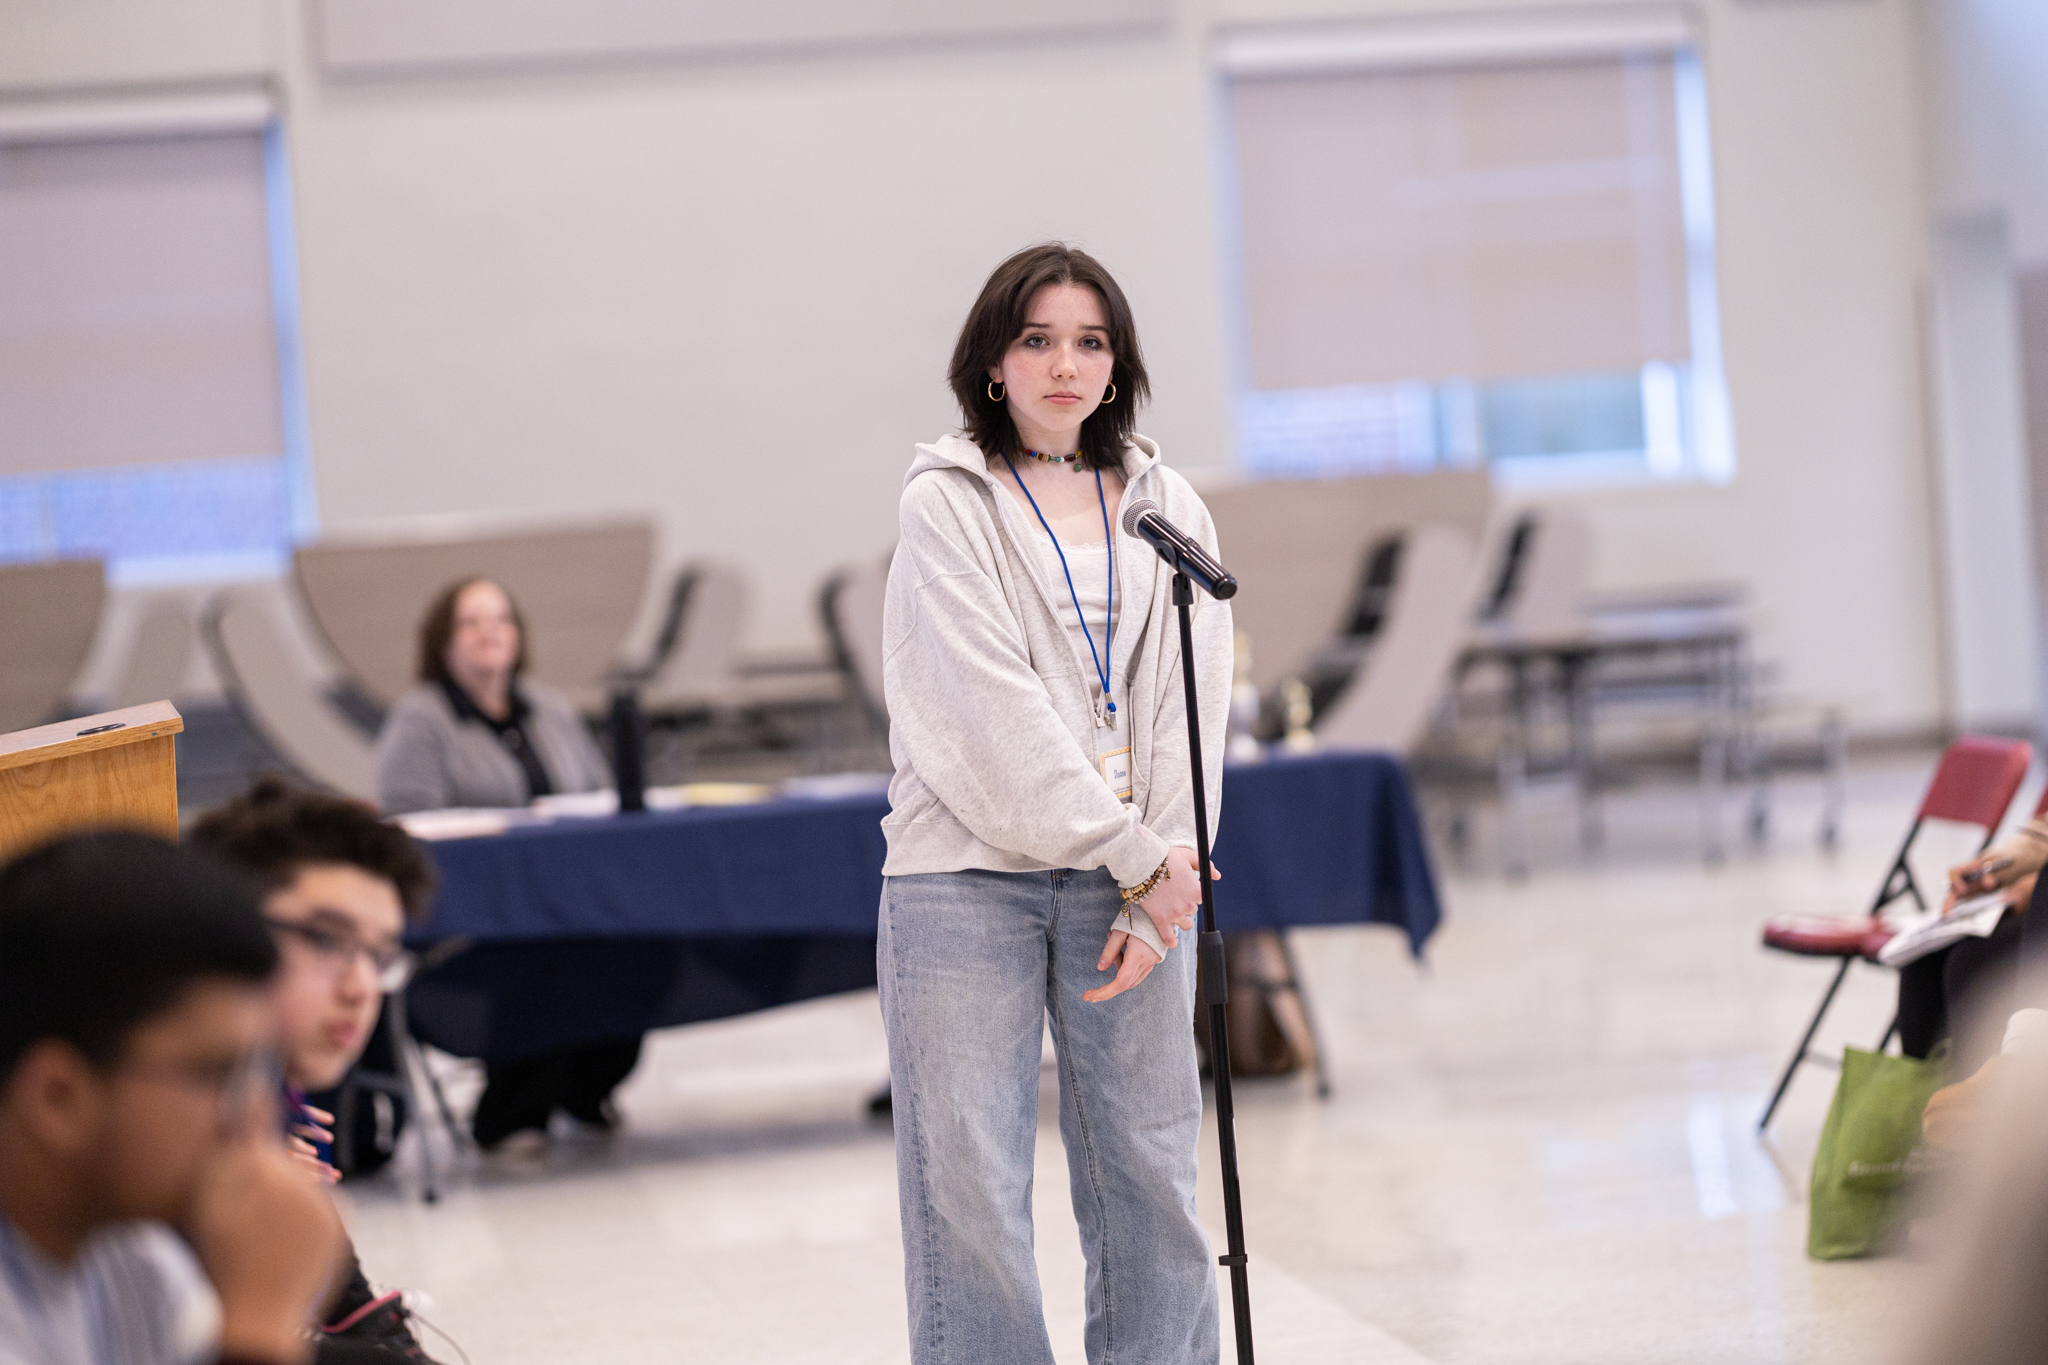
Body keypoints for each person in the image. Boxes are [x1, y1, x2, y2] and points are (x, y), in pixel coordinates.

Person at [877, 243, 1232, 1364]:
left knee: (1150, 1173)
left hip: (1131, 880)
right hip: (960, 882)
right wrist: (1134, 852)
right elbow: (989, 716)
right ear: (992, 363)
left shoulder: (1168, 505)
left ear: (1117, 362)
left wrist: (1161, 874)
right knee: (968, 1193)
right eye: (1035, 339)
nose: (1063, 364)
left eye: (1088, 341)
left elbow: (1192, 699)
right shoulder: (945, 503)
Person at [0, 831, 344, 1365]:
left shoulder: (129, 1249)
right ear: (58, 1099)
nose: (254, 1116)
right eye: (216, 1075)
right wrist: (260, 1327)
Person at [371, 578, 638, 1152]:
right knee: (542, 954)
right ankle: (514, 1111)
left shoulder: (548, 707)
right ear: (443, 643)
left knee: (637, 939)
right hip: (472, 912)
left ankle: (584, 1083)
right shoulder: (419, 721)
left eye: (501, 619)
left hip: (572, 896)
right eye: (471, 622)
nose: (489, 632)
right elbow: (406, 825)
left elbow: (599, 792)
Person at [188, 779, 443, 1363]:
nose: (360, 989)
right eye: (327, 941)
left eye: (379, 956)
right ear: (223, 920)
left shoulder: (256, 1084)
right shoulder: (147, 1111)